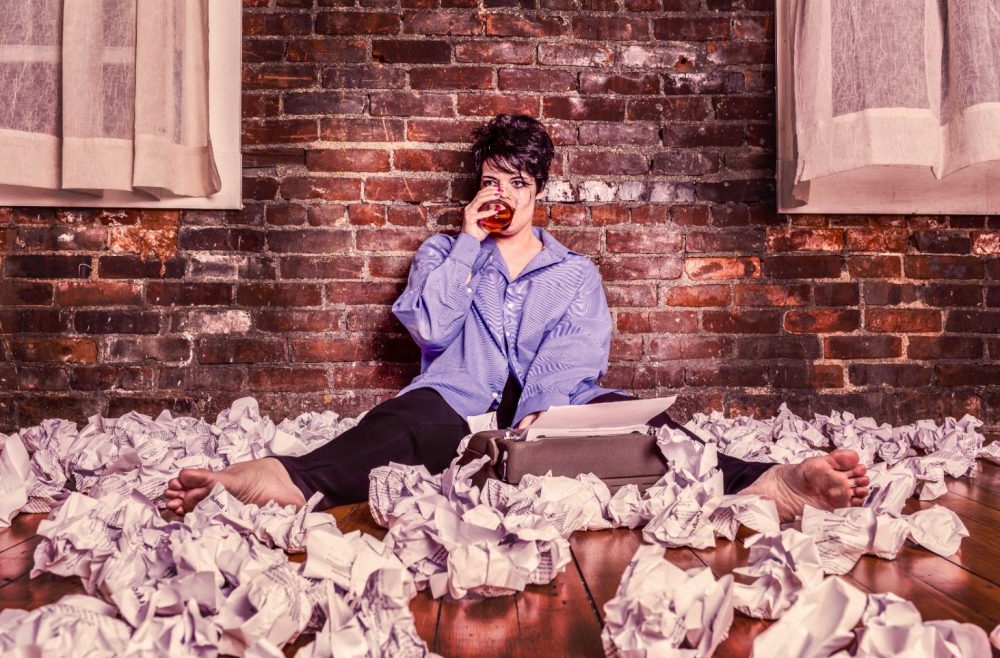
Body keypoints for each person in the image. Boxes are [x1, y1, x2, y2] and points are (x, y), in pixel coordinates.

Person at [166, 115, 869, 522]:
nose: (501, 195)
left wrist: (542, 417)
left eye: (517, 184)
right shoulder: (444, 252)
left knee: (649, 430)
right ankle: (277, 477)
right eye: (491, 181)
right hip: (457, 409)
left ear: (539, 192)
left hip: (552, 416)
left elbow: (574, 358)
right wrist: (467, 243)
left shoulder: (575, 274)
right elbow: (431, 332)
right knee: (397, 426)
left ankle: (769, 481)